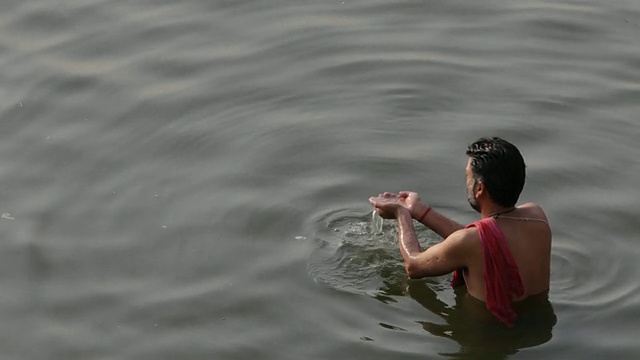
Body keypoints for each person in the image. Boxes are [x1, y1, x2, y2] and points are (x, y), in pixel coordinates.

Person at [369, 137, 551, 327]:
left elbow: (413, 266)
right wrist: (419, 210)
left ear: (480, 188)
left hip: (486, 335)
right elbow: (480, 242)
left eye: (468, 176)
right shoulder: (537, 216)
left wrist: (401, 214)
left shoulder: (470, 243)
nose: (466, 182)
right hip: (536, 322)